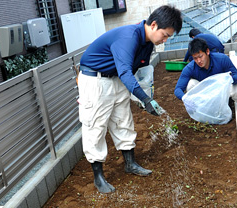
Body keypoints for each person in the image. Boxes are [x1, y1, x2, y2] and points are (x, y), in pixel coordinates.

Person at [78, 5, 183, 193]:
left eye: (169, 36)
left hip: (116, 79)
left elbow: (136, 71)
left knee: (123, 120)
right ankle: (98, 177)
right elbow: (126, 71)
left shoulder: (148, 44)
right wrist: (144, 98)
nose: (165, 39)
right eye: (165, 35)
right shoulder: (129, 37)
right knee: (95, 126)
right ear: (153, 25)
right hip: (95, 80)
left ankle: (130, 163)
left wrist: (143, 99)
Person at [174, 38, 237, 103]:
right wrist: (186, 98)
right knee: (191, 84)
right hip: (205, 93)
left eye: (200, 56)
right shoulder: (190, 68)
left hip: (222, 89)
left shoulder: (222, 59)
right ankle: (202, 106)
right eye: (195, 58)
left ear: (207, 51)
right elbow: (178, 89)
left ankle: (227, 101)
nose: (198, 61)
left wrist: (229, 79)